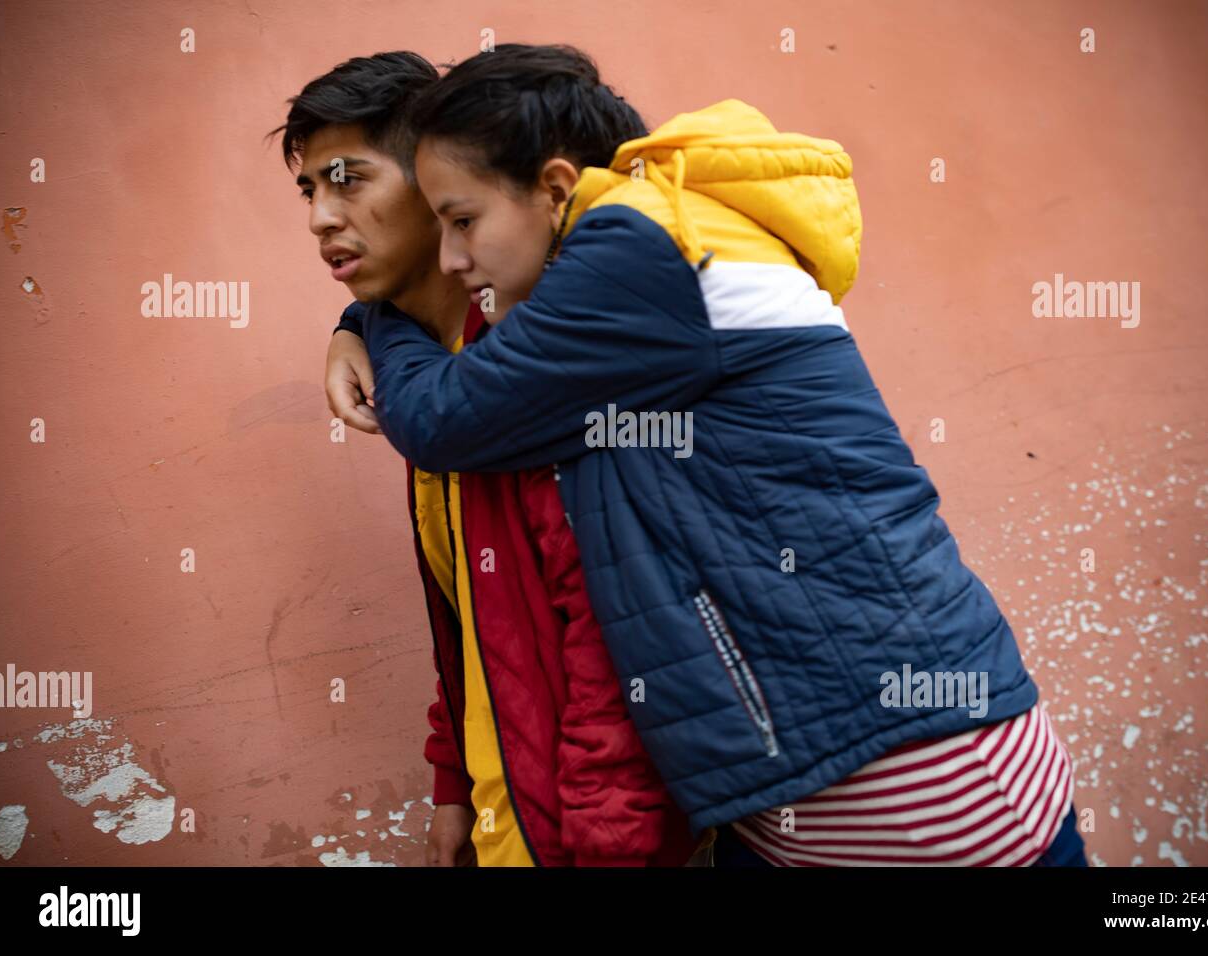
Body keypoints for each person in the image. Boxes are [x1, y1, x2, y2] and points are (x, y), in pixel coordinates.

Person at [361, 43, 1085, 866]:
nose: (453, 259)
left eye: (462, 222)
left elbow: (443, 418)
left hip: (918, 787)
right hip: (815, 790)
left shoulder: (641, 251)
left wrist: (375, 313)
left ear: (557, 189)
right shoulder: (659, 247)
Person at [273, 50, 700, 867]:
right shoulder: (422, 375)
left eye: (348, 179)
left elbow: (621, 659)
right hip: (511, 822)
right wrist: (454, 788)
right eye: (309, 190)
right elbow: (470, 614)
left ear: (434, 185)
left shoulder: (530, 383)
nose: (320, 217)